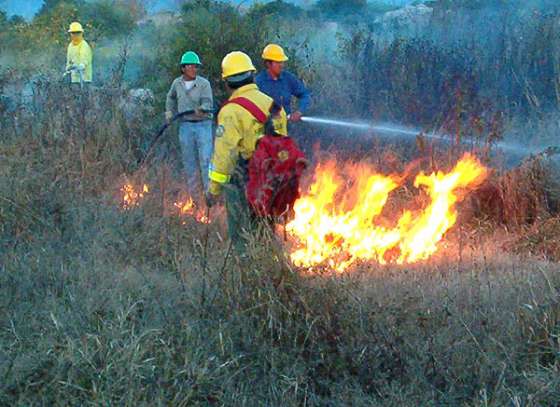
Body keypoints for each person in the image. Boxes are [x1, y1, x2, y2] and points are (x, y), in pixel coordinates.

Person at [206, 51, 288, 253]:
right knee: (266, 235)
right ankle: (270, 273)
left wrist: (214, 190)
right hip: (272, 181)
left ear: (227, 82)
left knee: (243, 238)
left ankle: (246, 277)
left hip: (243, 184)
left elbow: (224, 158)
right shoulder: (274, 105)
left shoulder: (230, 111)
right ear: (252, 74)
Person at [165, 51, 214, 204]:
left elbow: (208, 103)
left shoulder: (204, 84)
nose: (194, 69)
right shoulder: (176, 84)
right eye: (190, 66)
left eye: (195, 66)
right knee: (189, 163)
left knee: (206, 162)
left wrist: (202, 108)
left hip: (203, 126)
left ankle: (209, 198)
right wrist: (169, 112)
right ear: (183, 68)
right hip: (185, 126)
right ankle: (196, 201)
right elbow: (170, 97)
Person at [255, 44, 311, 123]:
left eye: (282, 62)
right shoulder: (258, 82)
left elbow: (305, 95)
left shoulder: (288, 78)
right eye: (277, 62)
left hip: (285, 130)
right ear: (268, 64)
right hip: (266, 131)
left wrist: (299, 111)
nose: (281, 65)